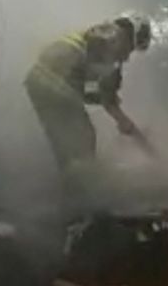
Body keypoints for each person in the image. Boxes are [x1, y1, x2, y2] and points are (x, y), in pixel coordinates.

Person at [24, 13, 152, 184]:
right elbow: (100, 89)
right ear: (132, 35)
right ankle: (81, 189)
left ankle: (71, 187)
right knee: (82, 136)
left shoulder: (104, 41)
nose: (127, 57)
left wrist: (126, 124)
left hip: (40, 81)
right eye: (130, 49)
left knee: (67, 141)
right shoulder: (111, 34)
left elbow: (106, 98)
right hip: (55, 81)